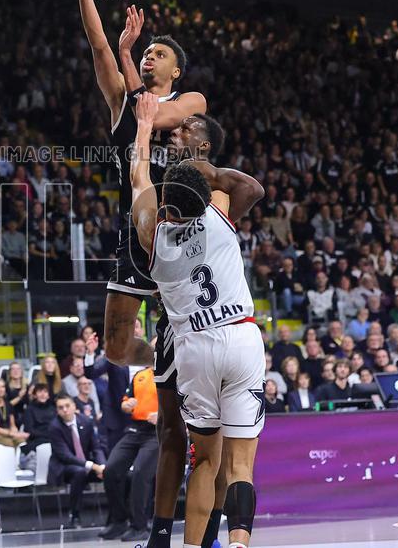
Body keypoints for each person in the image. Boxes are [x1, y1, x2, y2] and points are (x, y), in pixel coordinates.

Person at [54, 0, 206, 369]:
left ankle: (195, 367)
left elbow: (157, 117)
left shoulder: (191, 101)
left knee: (196, 328)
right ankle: (164, 358)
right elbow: (97, 43)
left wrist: (127, 57)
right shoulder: (122, 98)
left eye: (158, 54)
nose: (148, 58)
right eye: (146, 53)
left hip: (182, 234)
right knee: (117, 350)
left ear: (175, 69)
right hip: (134, 234)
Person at [130, 93, 265, 548]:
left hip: (193, 346)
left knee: (204, 460)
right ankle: (239, 543)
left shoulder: (152, 236)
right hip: (241, 335)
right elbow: (252, 187)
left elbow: (137, 179)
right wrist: (208, 173)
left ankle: (189, 545)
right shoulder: (220, 211)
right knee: (240, 464)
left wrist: (145, 128)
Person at [98, 361, 160, 542]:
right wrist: (127, 405)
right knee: (110, 470)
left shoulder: (177, 375)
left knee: (140, 473)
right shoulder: (140, 375)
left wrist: (162, 415)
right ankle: (119, 521)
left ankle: (140, 526)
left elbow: (185, 404)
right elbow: (125, 402)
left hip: (157, 432)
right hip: (135, 429)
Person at [48, 394, 105, 528]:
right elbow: (65, 456)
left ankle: (117, 516)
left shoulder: (86, 421)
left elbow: (96, 447)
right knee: (79, 472)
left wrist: (102, 466)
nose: (65, 410)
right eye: (61, 408)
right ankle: (75, 515)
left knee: (112, 472)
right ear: (57, 410)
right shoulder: (54, 427)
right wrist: (93, 466)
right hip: (64, 467)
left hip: (86, 463)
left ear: (74, 406)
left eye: (67, 406)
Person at [0, 379, 28, 447]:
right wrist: (12, 434)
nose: (1, 389)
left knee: (22, 442)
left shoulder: (8, 404)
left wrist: (16, 432)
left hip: (9, 431)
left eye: (3, 387)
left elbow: (12, 424)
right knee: (9, 443)